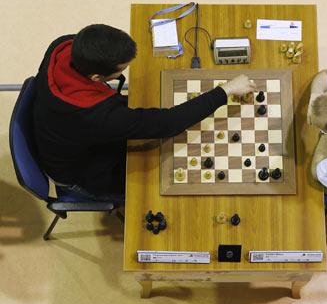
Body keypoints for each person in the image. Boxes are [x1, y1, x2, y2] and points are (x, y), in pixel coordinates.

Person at [33, 24, 255, 200]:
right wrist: (226, 90)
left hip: (64, 133)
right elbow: (168, 123)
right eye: (122, 69)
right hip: (80, 173)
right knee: (156, 190)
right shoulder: (98, 117)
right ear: (95, 78)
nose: (126, 70)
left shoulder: (62, 46)